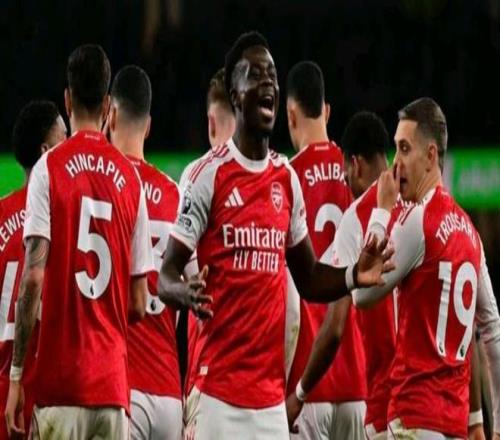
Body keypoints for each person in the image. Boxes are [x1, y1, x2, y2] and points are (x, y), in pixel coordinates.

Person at [158, 31, 392, 439]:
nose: (268, 81)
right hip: (218, 396)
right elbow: (165, 276)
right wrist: (184, 293)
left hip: (270, 404)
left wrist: (353, 275)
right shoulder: (206, 176)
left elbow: (309, 277)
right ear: (235, 93)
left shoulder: (286, 178)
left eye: (272, 75)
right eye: (255, 74)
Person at [5, 44, 153, 439]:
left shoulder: (48, 168)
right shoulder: (131, 179)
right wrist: (102, 316)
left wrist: (17, 375)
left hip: (60, 387)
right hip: (112, 390)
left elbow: (32, 279)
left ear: (67, 99)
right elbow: (140, 302)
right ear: (107, 106)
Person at [354, 98, 500, 439]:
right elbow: (492, 328)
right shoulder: (471, 235)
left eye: (405, 149)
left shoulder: (417, 221)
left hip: (415, 416)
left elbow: (362, 293)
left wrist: (381, 211)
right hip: (453, 423)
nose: (396, 162)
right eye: (395, 148)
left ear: (431, 155)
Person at [287, 111, 394, 439]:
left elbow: (333, 324)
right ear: (327, 109)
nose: (345, 181)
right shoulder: (418, 210)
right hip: (381, 393)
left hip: (331, 387)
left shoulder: (287, 178)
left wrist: (298, 392)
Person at [285, 62, 367, 440]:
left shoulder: (285, 178)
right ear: (327, 111)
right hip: (356, 381)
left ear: (291, 115)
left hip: (306, 382)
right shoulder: (357, 173)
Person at [108, 65, 182, 440]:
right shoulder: (174, 194)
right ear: (149, 126)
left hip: (125, 386)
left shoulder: (106, 188)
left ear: (110, 115)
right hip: (170, 392)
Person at [0, 101, 66, 439]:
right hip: (42, 392)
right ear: (46, 151)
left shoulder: (1, 213)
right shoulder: (62, 220)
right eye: (63, 138)